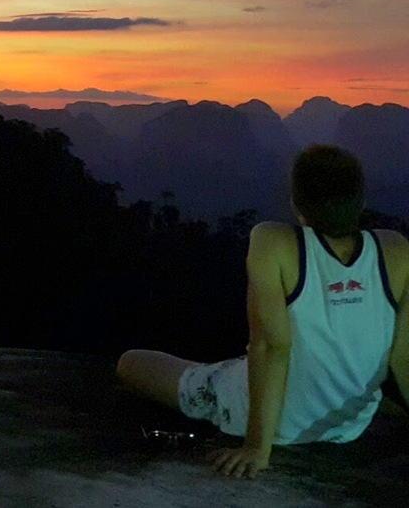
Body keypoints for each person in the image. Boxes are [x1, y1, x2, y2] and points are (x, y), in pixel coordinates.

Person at [116, 144, 409, 478]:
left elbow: (270, 346)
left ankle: (215, 383)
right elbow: (403, 356)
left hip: (271, 420)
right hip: (348, 427)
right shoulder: (395, 250)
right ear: (361, 202)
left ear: (297, 206)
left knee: (131, 363)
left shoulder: (273, 242)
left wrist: (257, 447)